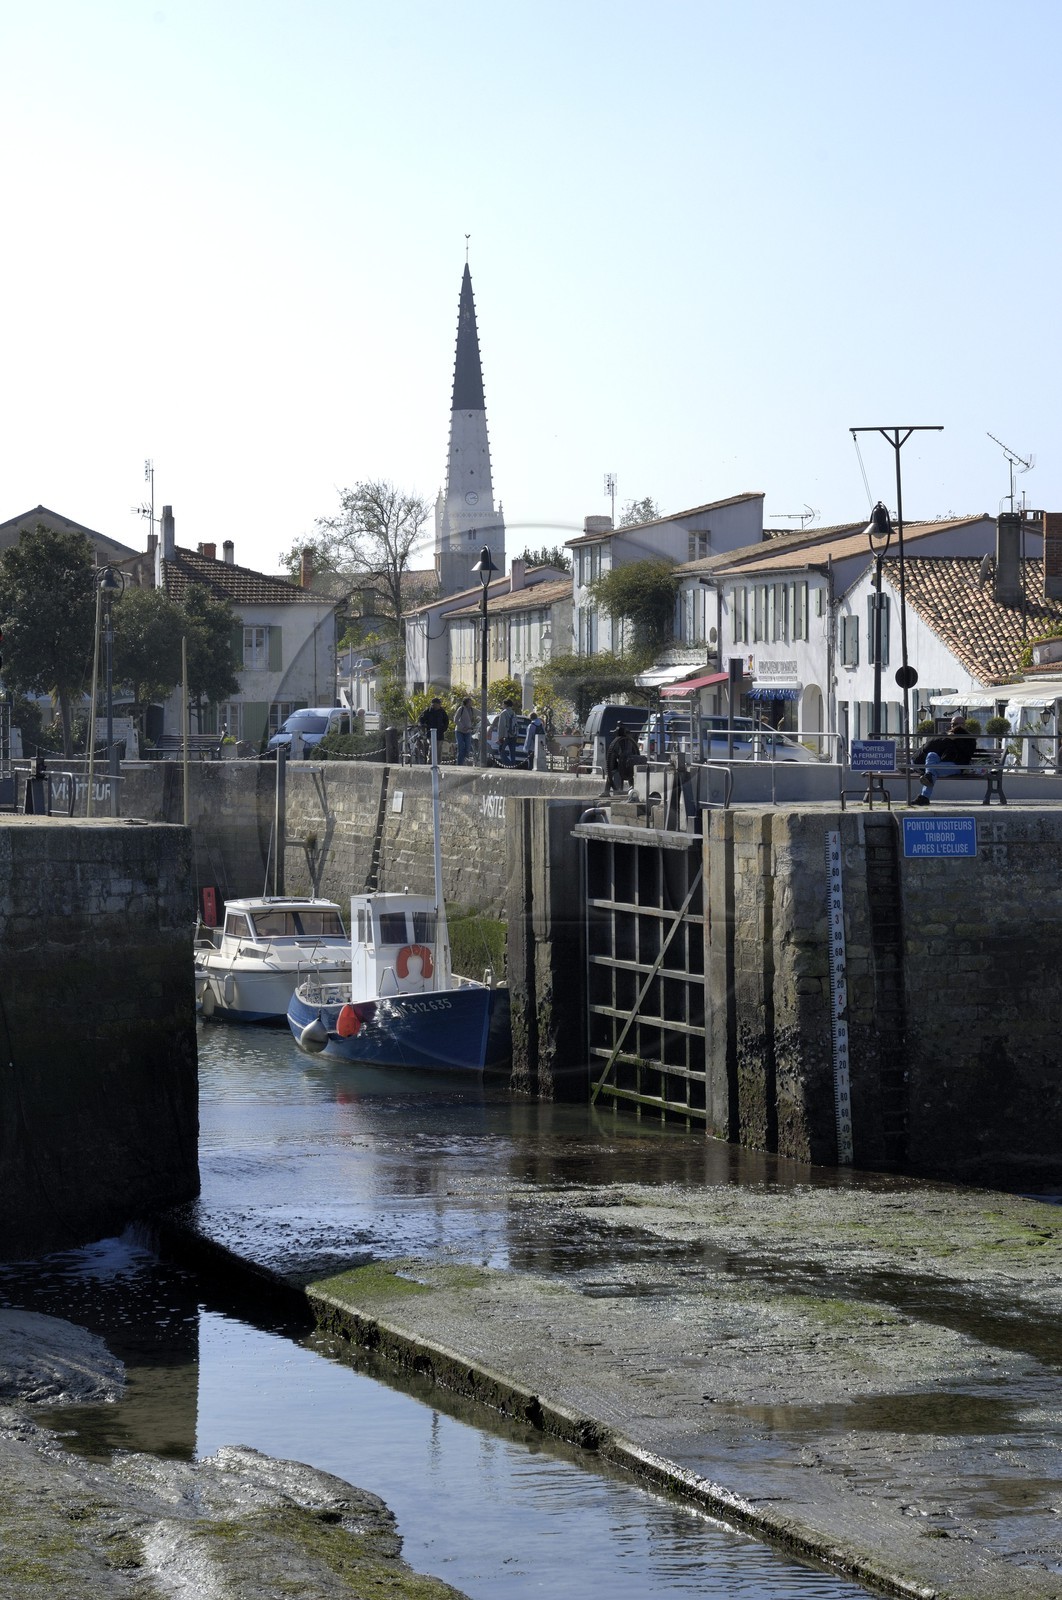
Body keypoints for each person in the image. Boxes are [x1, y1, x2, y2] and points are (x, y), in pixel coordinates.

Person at [912, 713, 978, 804]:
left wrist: (957, 739)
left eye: (955, 724)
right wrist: (945, 738)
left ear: (963, 725)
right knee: (931, 755)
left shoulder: (969, 739)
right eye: (952, 724)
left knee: (932, 771)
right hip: (941, 763)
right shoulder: (946, 735)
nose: (952, 726)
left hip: (957, 766)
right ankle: (928, 778)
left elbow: (967, 754)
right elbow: (929, 746)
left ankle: (924, 796)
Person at [605, 722, 639, 794]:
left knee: (615, 772)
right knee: (611, 772)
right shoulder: (621, 743)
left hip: (625, 762)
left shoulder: (628, 742)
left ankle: (631, 789)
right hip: (620, 760)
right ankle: (608, 791)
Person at [417, 697, 450, 762]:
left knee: (439, 748)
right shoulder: (427, 711)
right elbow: (421, 720)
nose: (439, 705)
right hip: (430, 732)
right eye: (438, 704)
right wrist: (423, 726)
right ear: (434, 704)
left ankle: (438, 762)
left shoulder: (442, 711)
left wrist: (444, 728)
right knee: (432, 747)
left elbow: (446, 721)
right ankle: (430, 761)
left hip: (440, 733)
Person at [495, 699, 518, 767]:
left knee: (501, 750)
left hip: (506, 735)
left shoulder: (504, 713)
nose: (502, 705)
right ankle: (513, 765)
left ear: (506, 704)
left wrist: (500, 737)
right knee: (512, 752)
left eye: (503, 704)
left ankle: (508, 764)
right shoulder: (513, 713)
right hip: (513, 735)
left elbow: (501, 726)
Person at [453, 696, 475, 766]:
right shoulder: (461, 709)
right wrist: (462, 727)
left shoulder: (472, 709)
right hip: (459, 731)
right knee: (461, 746)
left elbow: (481, 713)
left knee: (468, 747)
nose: (471, 703)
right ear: (466, 702)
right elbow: (455, 719)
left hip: (468, 731)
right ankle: (459, 764)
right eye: (470, 701)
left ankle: (466, 762)